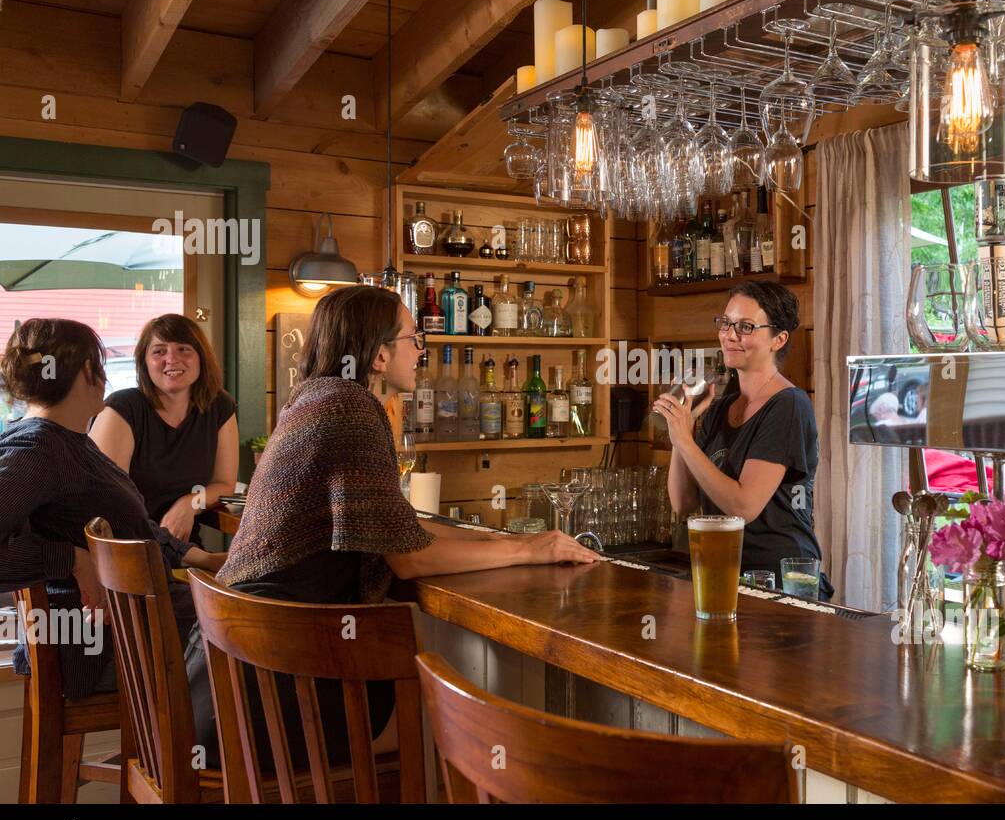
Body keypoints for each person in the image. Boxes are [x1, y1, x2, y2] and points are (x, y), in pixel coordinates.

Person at [186, 284, 600, 767]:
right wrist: (529, 553)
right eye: (412, 338)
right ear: (379, 355)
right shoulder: (352, 409)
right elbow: (410, 559)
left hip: (228, 680)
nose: (421, 350)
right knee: (456, 729)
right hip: (275, 694)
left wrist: (503, 538)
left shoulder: (314, 398)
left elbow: (400, 527)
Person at [0, 319, 225, 699]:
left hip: (140, 631)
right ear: (89, 371)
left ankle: (185, 758)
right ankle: (184, 758)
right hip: (108, 650)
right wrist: (68, 558)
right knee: (264, 647)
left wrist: (199, 557)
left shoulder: (72, 441)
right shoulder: (39, 450)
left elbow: (131, 526)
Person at [656, 280, 826, 597]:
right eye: (726, 323)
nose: (730, 336)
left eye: (746, 327)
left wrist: (685, 440)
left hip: (779, 584)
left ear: (779, 339)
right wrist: (685, 428)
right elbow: (683, 503)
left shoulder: (788, 405)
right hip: (724, 575)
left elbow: (744, 506)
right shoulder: (721, 408)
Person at [90, 314, 239, 542]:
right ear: (145, 362)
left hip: (182, 549)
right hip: (126, 548)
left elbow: (223, 485)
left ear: (201, 358)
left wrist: (190, 503)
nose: (171, 359)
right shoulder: (122, 408)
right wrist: (189, 554)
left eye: (183, 349)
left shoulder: (218, 406)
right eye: (159, 351)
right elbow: (109, 503)